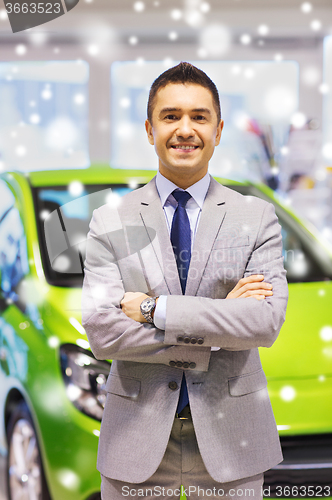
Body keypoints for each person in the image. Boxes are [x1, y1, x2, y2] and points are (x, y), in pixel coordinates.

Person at [82, 62, 288, 500]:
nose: (185, 129)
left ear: (218, 129)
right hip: (133, 443)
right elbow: (102, 332)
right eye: (170, 116)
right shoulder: (109, 220)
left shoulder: (256, 217)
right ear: (149, 128)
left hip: (234, 440)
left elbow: (264, 323)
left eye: (199, 116)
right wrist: (217, 330)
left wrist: (154, 310)